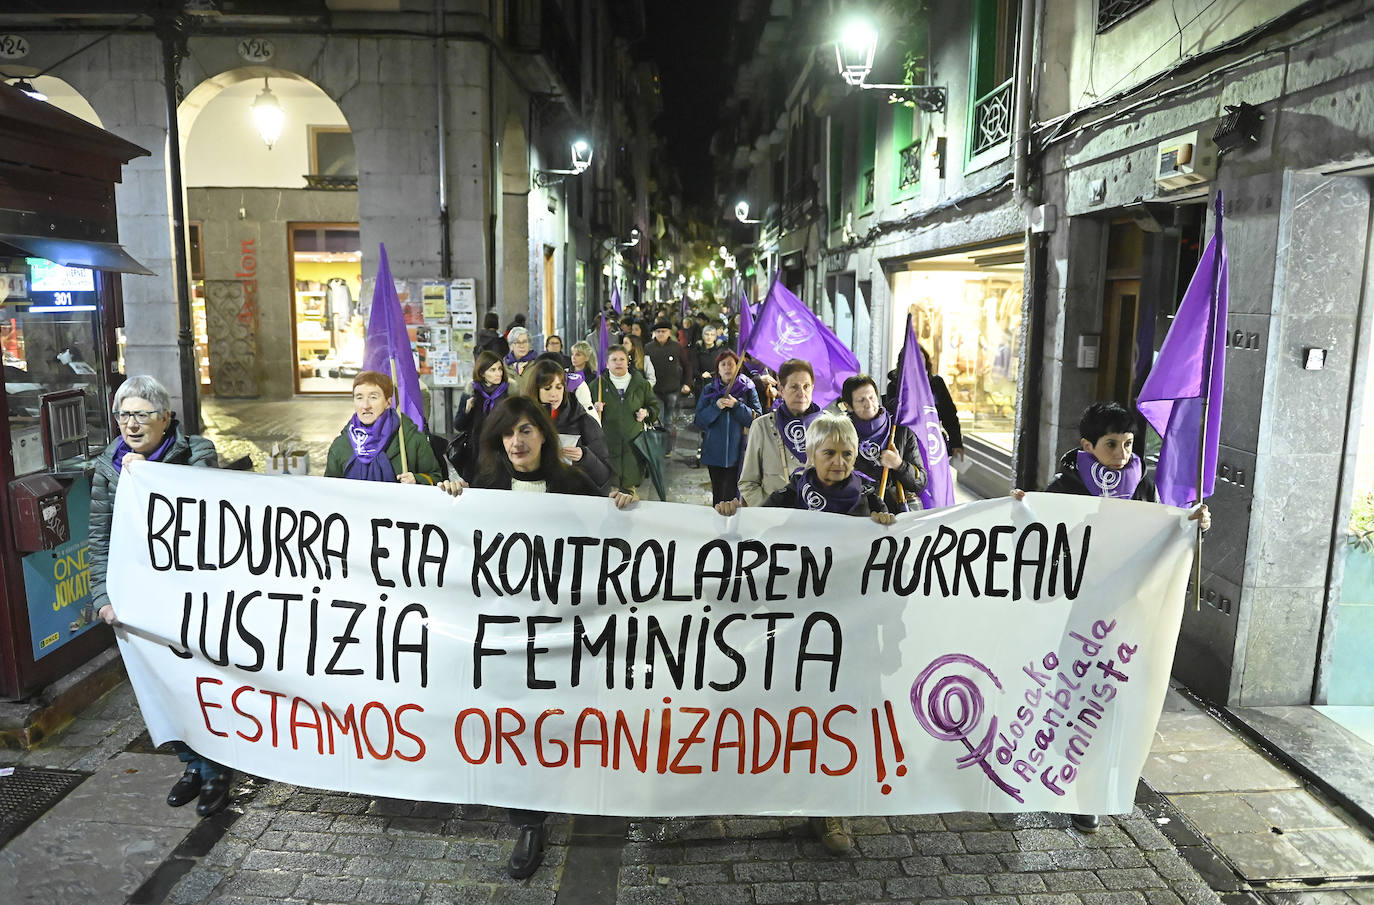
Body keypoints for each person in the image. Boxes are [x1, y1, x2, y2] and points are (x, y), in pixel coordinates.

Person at [434, 396, 632, 879]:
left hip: (562, 632)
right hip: (505, 636)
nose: (516, 442)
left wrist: (625, 507)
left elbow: (610, 531)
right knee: (515, 725)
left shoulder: (571, 485)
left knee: (555, 721)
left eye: (525, 431)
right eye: (507, 433)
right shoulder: (486, 487)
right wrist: (441, 497)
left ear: (543, 435)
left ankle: (564, 790)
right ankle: (528, 823)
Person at [1012, 400, 1210, 835]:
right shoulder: (1064, 487)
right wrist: (1023, 510)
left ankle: (1087, 792)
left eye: (1128, 444)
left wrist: (1190, 524)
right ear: (1087, 445)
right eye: (1110, 445)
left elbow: (1161, 528)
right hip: (1071, 614)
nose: (1121, 454)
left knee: (1104, 703)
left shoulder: (1142, 485)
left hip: (1121, 616)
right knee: (1062, 697)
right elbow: (1039, 538)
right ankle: (1034, 772)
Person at [90, 375, 232, 817]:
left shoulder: (196, 453)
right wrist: (102, 595)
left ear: (165, 419)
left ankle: (218, 771)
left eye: (142, 415)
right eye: (124, 415)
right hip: (141, 598)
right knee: (160, 686)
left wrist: (152, 475)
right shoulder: (108, 468)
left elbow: (206, 501)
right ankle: (192, 764)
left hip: (192, 595)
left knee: (201, 682)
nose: (131, 425)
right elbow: (99, 540)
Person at [761, 412, 893, 853]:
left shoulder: (874, 501)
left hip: (854, 631)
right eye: (829, 453)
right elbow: (751, 540)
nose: (839, 462)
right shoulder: (786, 498)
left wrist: (893, 525)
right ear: (810, 454)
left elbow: (908, 550)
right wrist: (727, 517)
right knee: (805, 710)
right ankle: (803, 792)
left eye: (847, 454)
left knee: (842, 715)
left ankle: (831, 807)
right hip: (802, 632)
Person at [730, 358, 821, 512]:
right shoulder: (762, 426)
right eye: (794, 387)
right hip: (773, 522)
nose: (801, 393)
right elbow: (748, 483)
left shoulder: (827, 427)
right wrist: (769, 511)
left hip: (816, 520)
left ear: (813, 387)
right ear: (781, 389)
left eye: (806, 386)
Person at [324, 371, 442, 484]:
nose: (365, 406)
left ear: (388, 402)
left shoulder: (411, 440)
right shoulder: (341, 445)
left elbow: (436, 478)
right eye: (359, 397)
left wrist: (417, 479)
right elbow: (329, 490)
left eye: (373, 397)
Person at [524, 358, 613, 494]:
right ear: (536, 389)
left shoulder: (584, 421)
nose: (554, 394)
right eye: (547, 388)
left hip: (571, 500)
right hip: (532, 498)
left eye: (559, 387)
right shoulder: (522, 420)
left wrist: (584, 457)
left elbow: (605, 475)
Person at [842, 374, 927, 512]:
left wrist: (899, 465)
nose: (869, 404)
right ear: (848, 406)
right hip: (861, 514)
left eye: (872, 398)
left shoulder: (900, 431)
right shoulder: (841, 434)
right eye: (861, 400)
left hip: (899, 515)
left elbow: (920, 482)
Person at [589, 344, 659, 496]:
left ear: (628, 362)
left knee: (630, 497)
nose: (619, 362)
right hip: (607, 447)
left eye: (622, 359)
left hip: (633, 447)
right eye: (614, 359)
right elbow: (583, 412)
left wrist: (646, 412)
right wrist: (593, 409)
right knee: (609, 496)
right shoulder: (596, 386)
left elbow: (654, 407)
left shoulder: (641, 384)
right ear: (607, 364)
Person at [695, 349, 762, 505]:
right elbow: (699, 420)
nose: (727, 368)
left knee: (734, 496)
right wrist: (715, 407)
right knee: (718, 494)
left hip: (740, 453)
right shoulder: (709, 390)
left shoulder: (748, 389)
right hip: (714, 453)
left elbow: (758, 419)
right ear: (717, 369)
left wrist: (737, 406)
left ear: (737, 367)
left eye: (731, 364)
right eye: (723, 364)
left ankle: (733, 527)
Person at [453, 350, 511, 481]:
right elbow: (458, 425)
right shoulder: (471, 392)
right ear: (482, 373)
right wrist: (466, 411)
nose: (498, 373)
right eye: (492, 370)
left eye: (500, 369)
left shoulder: (509, 392)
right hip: (475, 452)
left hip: (501, 451)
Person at [644, 320, 691, 451]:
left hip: (672, 389)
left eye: (663, 332)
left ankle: (668, 448)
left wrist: (687, 383)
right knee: (657, 419)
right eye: (658, 332)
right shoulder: (648, 348)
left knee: (669, 421)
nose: (660, 334)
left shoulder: (676, 347)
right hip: (654, 390)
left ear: (669, 332)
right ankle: (658, 447)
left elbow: (686, 365)